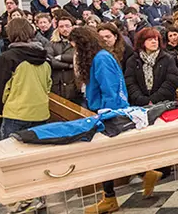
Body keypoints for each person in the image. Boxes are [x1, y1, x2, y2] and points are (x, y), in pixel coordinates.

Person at [68, 27, 129, 214]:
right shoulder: (98, 57)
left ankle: (109, 198)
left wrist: (106, 115)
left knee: (105, 158)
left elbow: (110, 90)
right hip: (102, 111)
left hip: (109, 113)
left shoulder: (101, 58)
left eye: (76, 48)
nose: (75, 52)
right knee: (110, 156)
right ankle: (144, 175)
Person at [123, 27, 178, 197]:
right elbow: (130, 81)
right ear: (142, 42)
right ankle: (148, 170)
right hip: (140, 105)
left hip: (163, 103)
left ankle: (164, 169)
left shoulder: (167, 58)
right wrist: (142, 99)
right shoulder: (133, 60)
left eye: (156, 39)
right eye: (150, 39)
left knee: (163, 138)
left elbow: (172, 80)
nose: (154, 41)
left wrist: (154, 99)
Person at [0, 18, 52, 139]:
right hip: (40, 111)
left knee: (11, 153)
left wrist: (1, 109)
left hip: (17, 113)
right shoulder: (43, 56)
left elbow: (0, 88)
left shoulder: (7, 58)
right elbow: (48, 85)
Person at [45, 17, 79, 102]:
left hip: (74, 84)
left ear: (72, 27)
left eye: (67, 26)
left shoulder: (79, 43)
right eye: (61, 26)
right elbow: (51, 61)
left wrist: (61, 57)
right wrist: (70, 65)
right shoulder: (51, 43)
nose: (65, 29)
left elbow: (78, 57)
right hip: (57, 84)